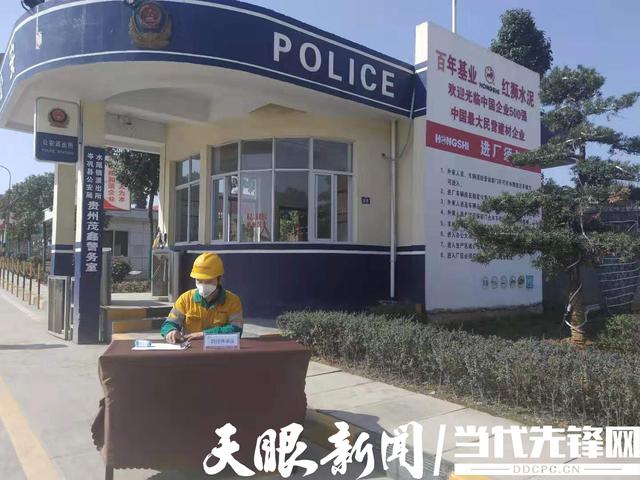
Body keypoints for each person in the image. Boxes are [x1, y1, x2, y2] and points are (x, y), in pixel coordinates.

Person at [161, 252, 243, 344]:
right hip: (191, 349)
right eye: (199, 281)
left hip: (220, 350)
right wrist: (170, 331)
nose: (203, 285)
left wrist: (205, 334)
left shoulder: (233, 301)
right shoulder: (185, 299)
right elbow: (169, 324)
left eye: (209, 281)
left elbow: (236, 329)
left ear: (219, 279)